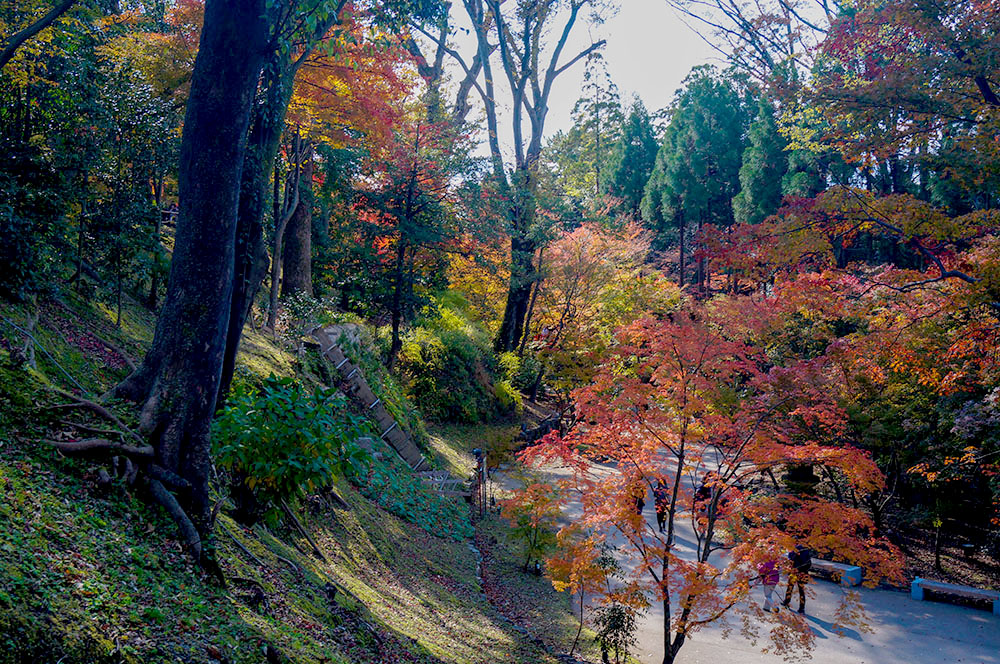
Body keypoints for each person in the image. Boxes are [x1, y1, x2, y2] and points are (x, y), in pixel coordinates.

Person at [783, 544, 812, 614]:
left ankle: (786, 602)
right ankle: (802, 608)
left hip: (794, 573)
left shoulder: (792, 551)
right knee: (801, 591)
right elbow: (809, 564)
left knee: (790, 587)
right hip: (802, 573)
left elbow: (790, 562)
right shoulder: (806, 551)